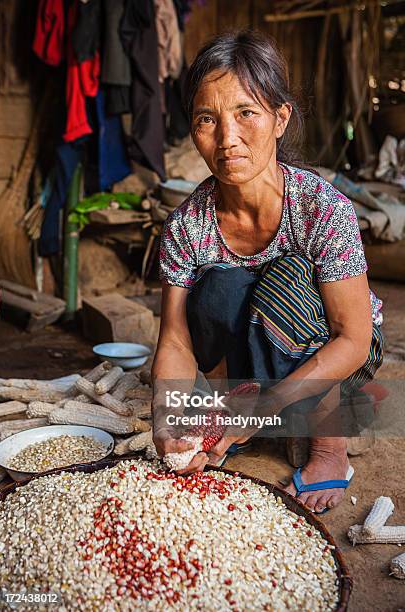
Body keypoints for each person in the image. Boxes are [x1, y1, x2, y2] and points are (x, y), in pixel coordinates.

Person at [151, 30, 383, 514]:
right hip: (256, 345)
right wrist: (166, 418)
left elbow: (353, 339)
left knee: (287, 277)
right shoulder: (187, 225)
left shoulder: (324, 210)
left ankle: (329, 447)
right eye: (206, 119)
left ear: (281, 118)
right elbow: (174, 340)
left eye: (245, 113)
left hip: (337, 347)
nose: (226, 138)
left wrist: (263, 409)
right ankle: (234, 405)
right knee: (215, 287)